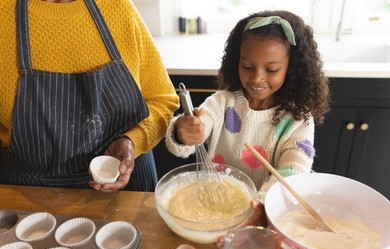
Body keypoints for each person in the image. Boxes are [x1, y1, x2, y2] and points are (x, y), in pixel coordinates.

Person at [165, 10, 330, 225]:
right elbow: (199, 124)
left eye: (271, 69)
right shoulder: (222, 103)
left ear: (292, 69)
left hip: (265, 215)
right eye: (247, 67)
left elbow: (294, 168)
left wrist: (261, 205)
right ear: (237, 62)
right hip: (210, 209)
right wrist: (184, 132)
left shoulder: (298, 119)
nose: (257, 77)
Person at [0, 0, 179, 192]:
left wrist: (134, 140)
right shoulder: (4, 15)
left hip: (127, 186)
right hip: (30, 193)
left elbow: (163, 99)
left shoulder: (118, 8)